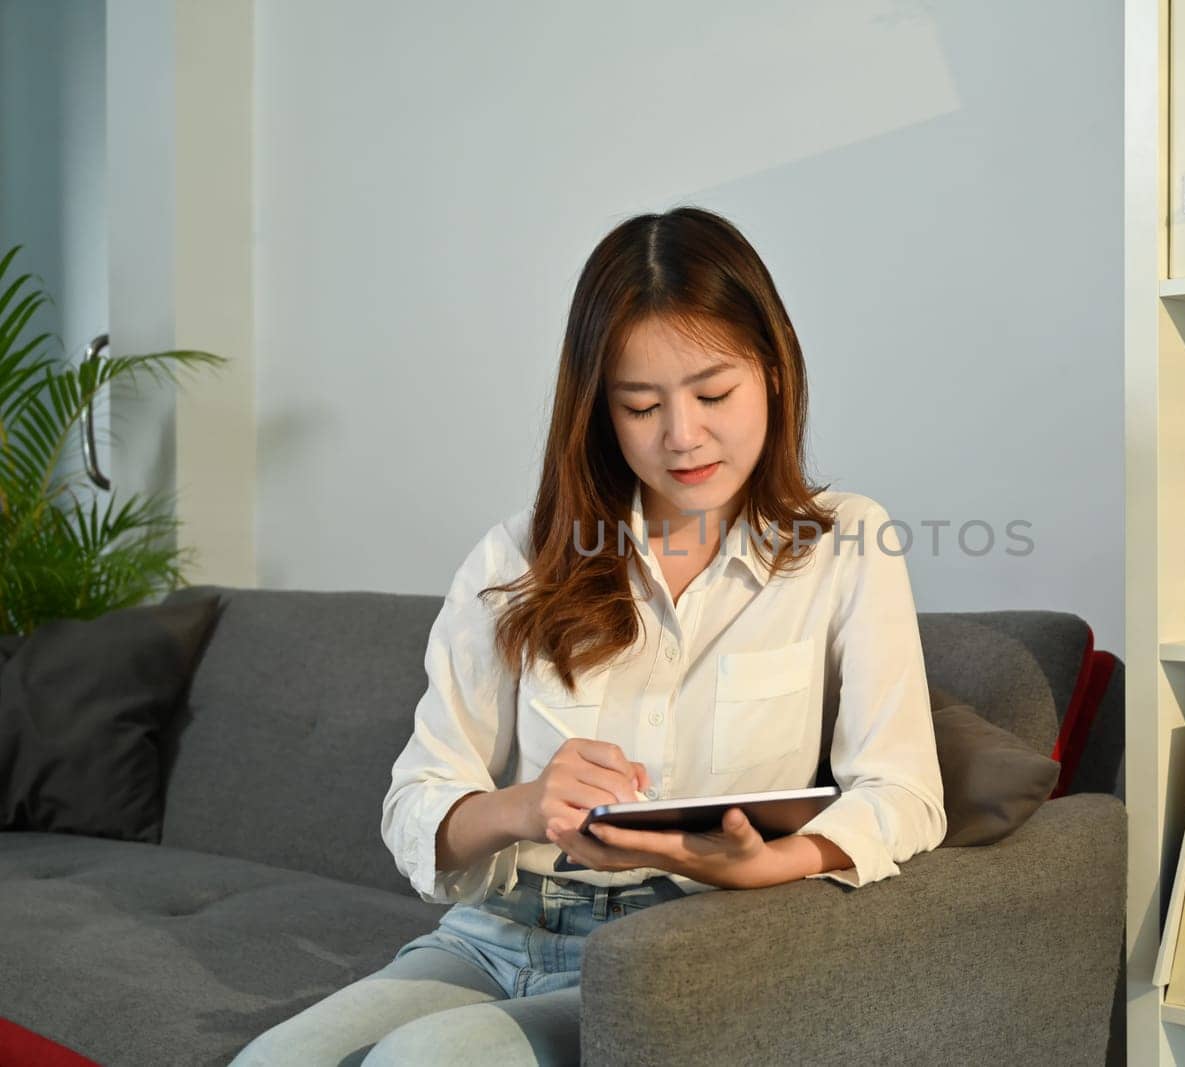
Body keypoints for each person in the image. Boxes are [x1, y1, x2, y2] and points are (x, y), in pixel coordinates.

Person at [230, 206, 946, 1065]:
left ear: (775, 371)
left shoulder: (843, 547)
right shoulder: (523, 554)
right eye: (640, 405)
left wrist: (757, 865)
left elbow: (905, 793)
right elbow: (417, 800)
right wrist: (525, 806)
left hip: (677, 946)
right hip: (494, 931)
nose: (683, 436)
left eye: (714, 393)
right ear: (599, 409)